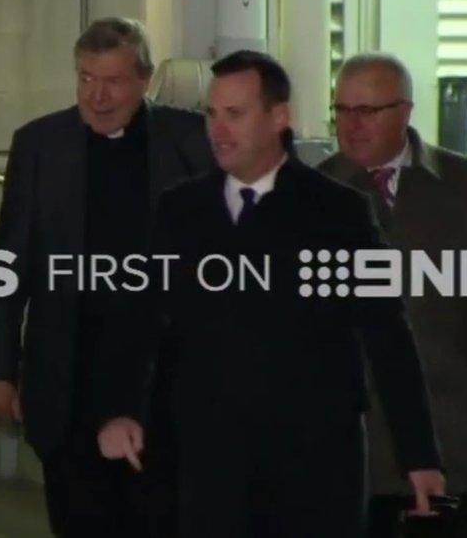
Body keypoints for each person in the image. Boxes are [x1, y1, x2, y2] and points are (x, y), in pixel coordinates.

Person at [98, 50, 445, 537]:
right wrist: (122, 409)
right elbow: (143, 321)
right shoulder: (181, 210)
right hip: (209, 463)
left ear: (279, 118)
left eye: (235, 115)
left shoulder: (338, 213)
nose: (218, 130)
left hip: (314, 470)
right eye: (211, 114)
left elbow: (387, 334)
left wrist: (419, 457)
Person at [0, 17, 215, 537]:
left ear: (145, 80)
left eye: (114, 81)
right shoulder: (40, 144)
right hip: (68, 377)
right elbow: (6, 264)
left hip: (163, 383)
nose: (98, 97)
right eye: (86, 79)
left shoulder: (190, 141)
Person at [319, 53, 467, 538]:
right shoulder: (316, 190)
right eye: (343, 110)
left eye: (368, 111)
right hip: (352, 430)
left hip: (446, 419)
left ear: (405, 110)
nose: (353, 124)